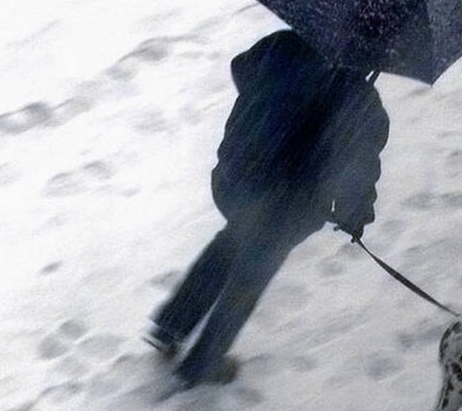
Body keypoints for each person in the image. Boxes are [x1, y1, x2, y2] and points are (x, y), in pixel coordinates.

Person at [147, 28, 390, 389]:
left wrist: (271, 108)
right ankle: (203, 364)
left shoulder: (284, 45)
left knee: (230, 242)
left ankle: (171, 324)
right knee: (250, 276)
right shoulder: (362, 105)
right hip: (286, 210)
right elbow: (358, 174)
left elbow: (241, 68)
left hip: (236, 177)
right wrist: (355, 216)